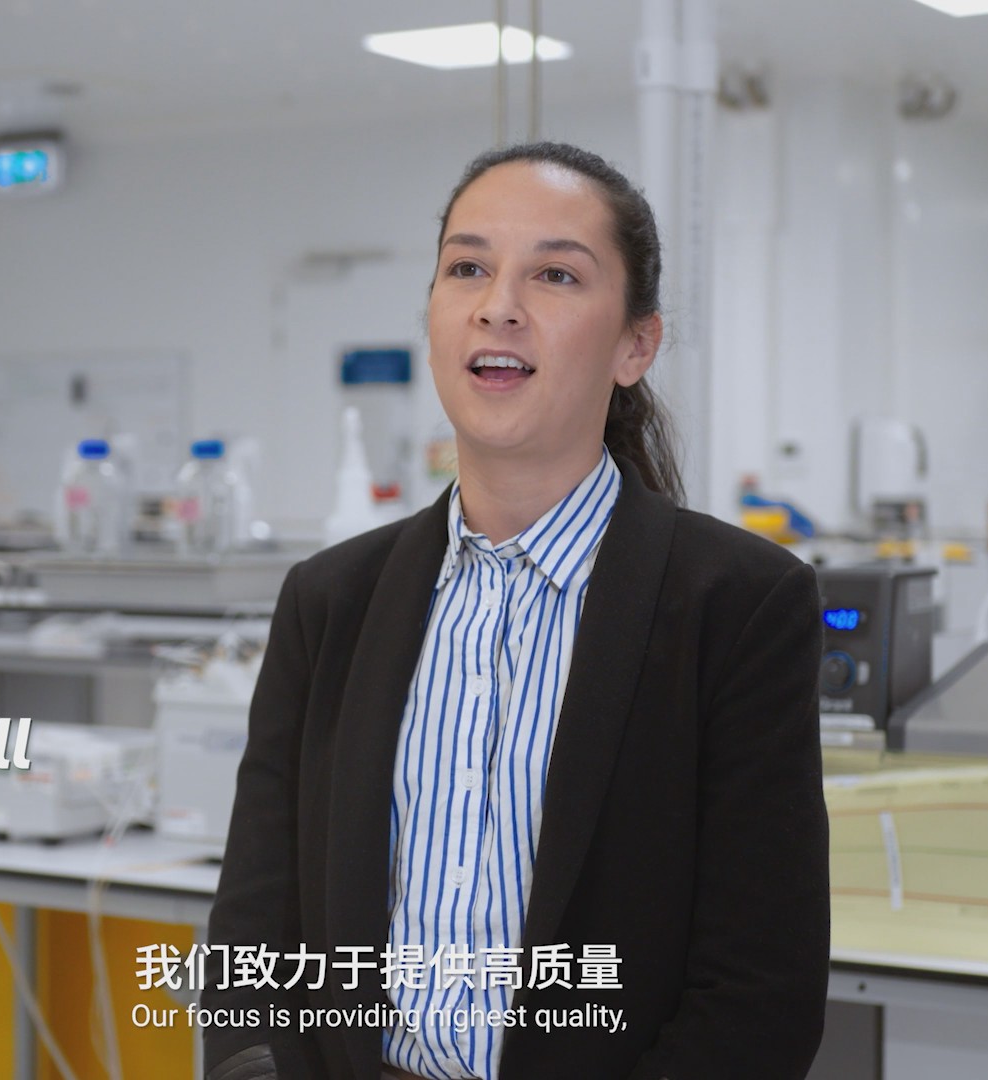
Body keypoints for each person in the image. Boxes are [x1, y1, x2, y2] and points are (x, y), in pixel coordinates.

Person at [202, 141, 828, 1080]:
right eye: (468, 268)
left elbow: (760, 996)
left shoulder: (738, 605)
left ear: (636, 345)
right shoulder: (330, 602)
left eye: (555, 274)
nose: (498, 305)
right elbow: (255, 932)